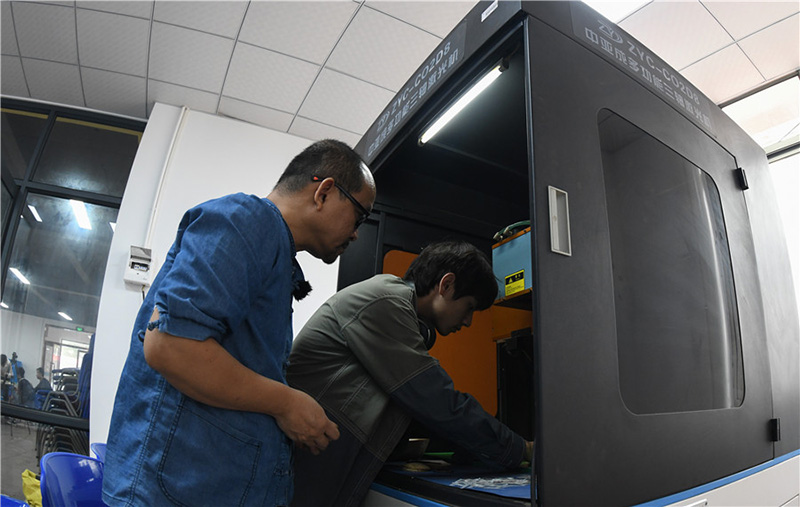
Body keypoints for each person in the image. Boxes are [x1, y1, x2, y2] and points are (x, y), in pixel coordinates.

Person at [102, 139, 376, 506]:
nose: (357, 232)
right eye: (359, 216)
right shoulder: (247, 220)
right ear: (324, 192)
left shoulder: (276, 253)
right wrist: (288, 403)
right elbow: (171, 346)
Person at [287, 240, 534, 506]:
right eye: (470, 307)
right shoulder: (384, 300)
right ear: (446, 284)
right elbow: (435, 399)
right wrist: (521, 448)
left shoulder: (397, 310)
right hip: (302, 462)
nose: (468, 321)